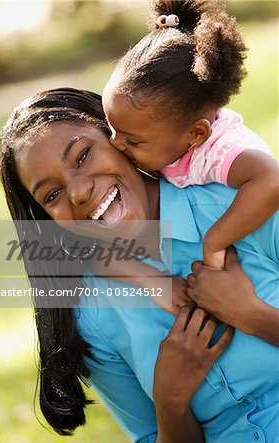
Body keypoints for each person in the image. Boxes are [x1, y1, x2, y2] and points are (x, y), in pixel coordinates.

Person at [0, 88, 279, 443]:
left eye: (83, 156)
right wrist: (169, 401)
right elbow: (151, 441)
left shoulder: (237, 202)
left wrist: (253, 316)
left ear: (119, 137)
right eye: (52, 195)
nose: (79, 193)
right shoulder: (91, 314)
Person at [102, 0, 279, 271]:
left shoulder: (218, 152)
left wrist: (215, 241)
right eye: (112, 128)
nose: (115, 142)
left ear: (196, 134)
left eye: (132, 140)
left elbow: (271, 179)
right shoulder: (170, 139)